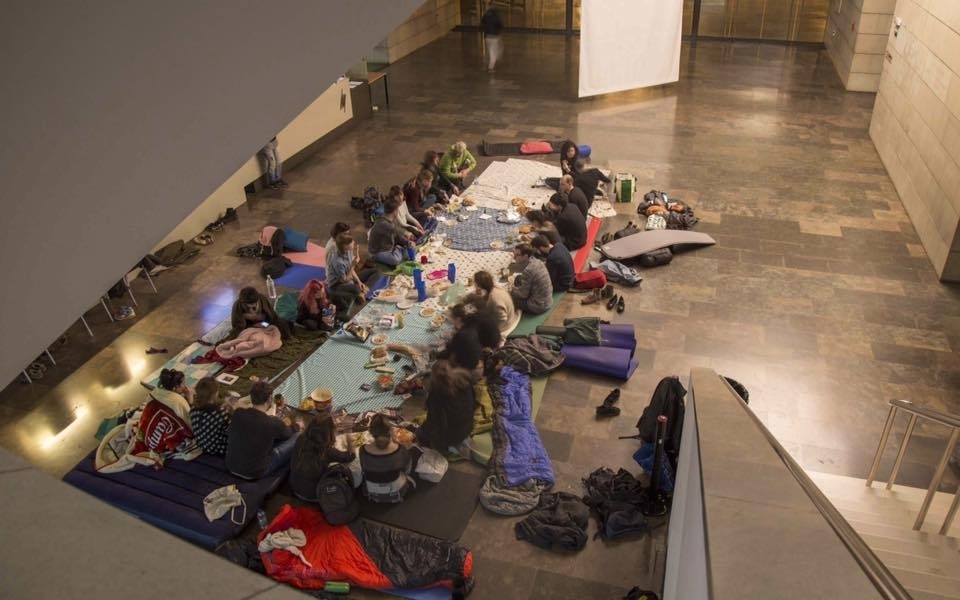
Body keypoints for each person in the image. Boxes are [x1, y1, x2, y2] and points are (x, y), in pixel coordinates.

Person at [225, 381, 300, 479]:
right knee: (297, 436)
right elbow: (288, 433)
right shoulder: (272, 422)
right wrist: (297, 425)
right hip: (255, 472)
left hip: (231, 466)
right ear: (270, 399)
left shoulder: (238, 413)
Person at [289, 416, 356, 502]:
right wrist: (349, 435)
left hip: (295, 488)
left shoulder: (301, 439)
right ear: (329, 433)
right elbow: (351, 456)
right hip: (314, 495)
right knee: (343, 468)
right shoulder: (327, 451)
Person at [417, 360, 475, 453]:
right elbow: (473, 403)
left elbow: (434, 422)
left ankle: (443, 448)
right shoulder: (465, 382)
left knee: (420, 435)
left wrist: (421, 432)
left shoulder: (438, 395)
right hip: (468, 427)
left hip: (451, 437)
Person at [359, 413, 415, 503]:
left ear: (371, 431)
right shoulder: (399, 449)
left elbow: (363, 469)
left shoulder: (362, 450)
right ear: (390, 430)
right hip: (397, 491)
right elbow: (407, 469)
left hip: (372, 492)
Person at [437, 298, 501, 370]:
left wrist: (437, 355)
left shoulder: (465, 336)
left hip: (472, 360)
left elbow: (452, 351)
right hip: (490, 342)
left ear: (458, 319)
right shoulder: (477, 319)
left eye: (455, 325)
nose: (453, 326)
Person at [328, 233, 379, 313]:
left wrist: (360, 282)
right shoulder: (338, 262)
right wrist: (353, 265)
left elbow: (351, 272)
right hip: (338, 284)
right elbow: (345, 280)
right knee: (355, 288)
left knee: (376, 272)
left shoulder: (348, 251)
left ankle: (362, 292)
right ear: (345, 246)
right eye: (351, 242)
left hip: (349, 277)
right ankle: (359, 292)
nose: (353, 242)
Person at [188, 377, 232, 457]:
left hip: (203, 445)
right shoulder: (221, 413)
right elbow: (233, 432)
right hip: (219, 449)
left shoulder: (193, 409)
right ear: (215, 394)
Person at [368, 196, 415, 266]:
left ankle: (399, 249)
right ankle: (399, 249)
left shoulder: (384, 219)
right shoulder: (387, 225)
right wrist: (407, 243)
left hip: (386, 247)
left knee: (406, 250)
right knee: (396, 260)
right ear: (395, 211)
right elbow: (398, 237)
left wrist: (407, 242)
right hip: (377, 252)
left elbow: (397, 236)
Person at [510, 244, 553, 315]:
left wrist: (511, 289)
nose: (514, 257)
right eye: (514, 254)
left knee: (510, 297)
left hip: (539, 306)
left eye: (517, 255)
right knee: (518, 278)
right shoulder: (537, 261)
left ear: (525, 256)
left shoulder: (528, 271)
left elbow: (523, 295)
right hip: (548, 299)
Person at [473, 270, 519, 335]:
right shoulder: (494, 287)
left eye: (476, 284)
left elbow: (502, 319)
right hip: (506, 316)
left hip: (506, 325)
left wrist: (493, 330)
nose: (475, 286)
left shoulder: (494, 299)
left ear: (480, 286)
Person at [480, 0, 504, 73]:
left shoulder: (486, 15)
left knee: (491, 51)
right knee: (493, 53)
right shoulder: (496, 15)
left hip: (487, 36)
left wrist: (484, 30)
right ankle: (490, 68)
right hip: (494, 36)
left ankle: (491, 63)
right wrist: (499, 31)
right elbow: (500, 24)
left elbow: (482, 24)